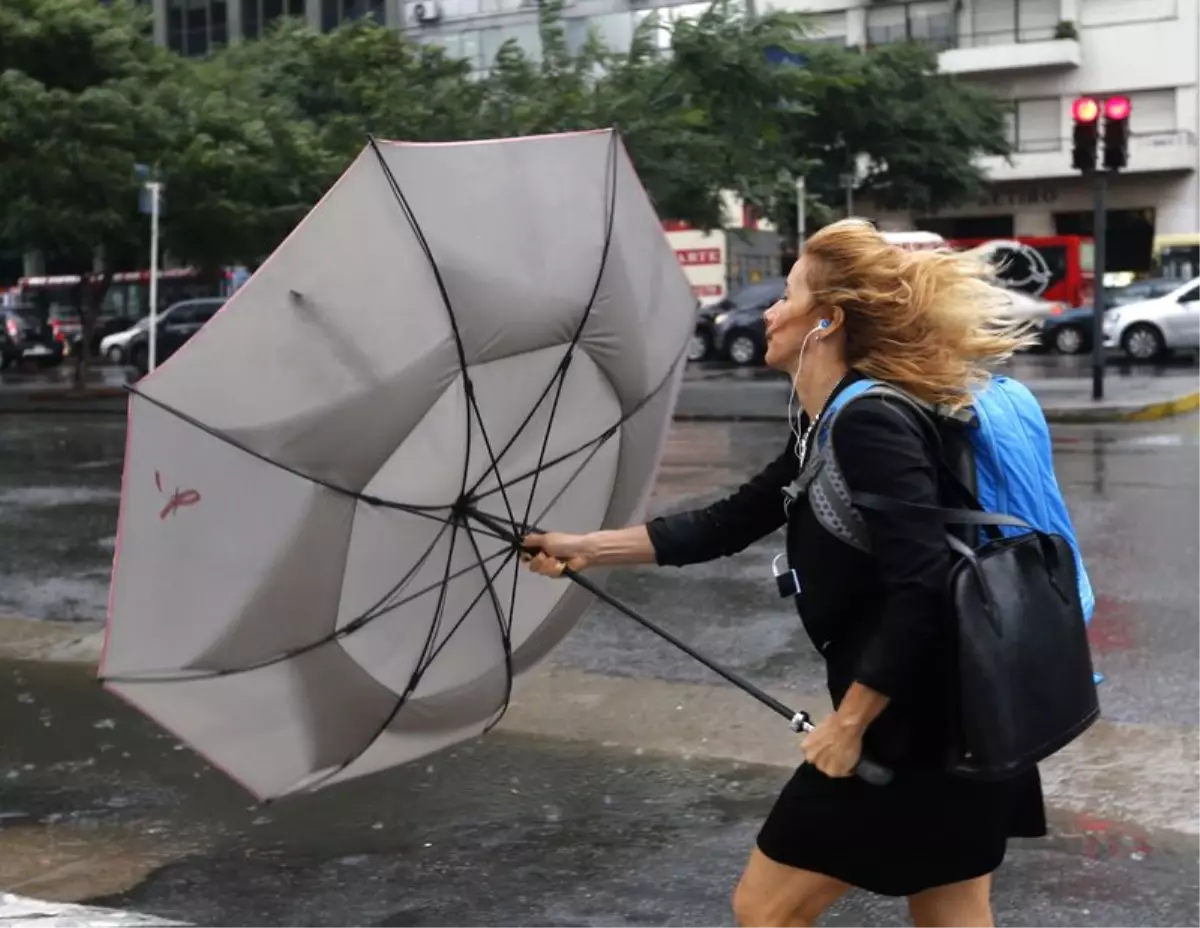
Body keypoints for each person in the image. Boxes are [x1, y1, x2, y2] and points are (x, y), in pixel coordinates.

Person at [521, 219, 1048, 928]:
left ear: (825, 320)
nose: (768, 309)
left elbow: (921, 585)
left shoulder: (869, 424)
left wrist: (850, 723)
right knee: (950, 912)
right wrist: (587, 546)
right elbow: (727, 522)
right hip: (964, 716)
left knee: (766, 908)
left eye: (787, 295)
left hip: (916, 729)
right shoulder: (831, 422)